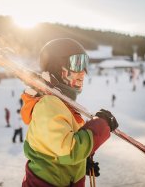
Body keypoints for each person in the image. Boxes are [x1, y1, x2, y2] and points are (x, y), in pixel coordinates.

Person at [20, 38, 119, 187]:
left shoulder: (62, 104)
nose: (83, 72)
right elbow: (69, 150)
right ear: (56, 68)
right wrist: (101, 126)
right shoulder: (49, 105)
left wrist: (80, 164)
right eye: (77, 64)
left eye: (85, 64)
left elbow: (60, 150)